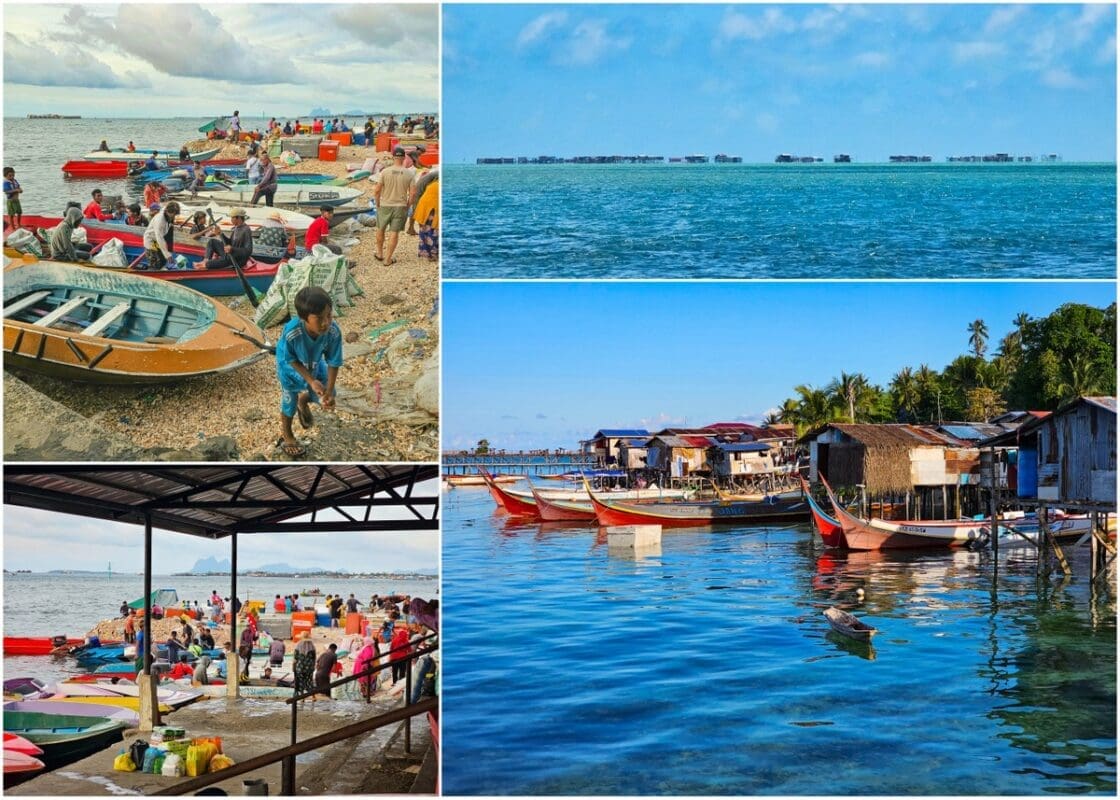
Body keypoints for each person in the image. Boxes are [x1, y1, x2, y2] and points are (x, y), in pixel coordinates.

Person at [274, 286, 343, 458]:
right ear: (304, 318)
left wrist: (329, 392)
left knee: (327, 394)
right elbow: (291, 359)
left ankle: (303, 401)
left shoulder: (333, 332)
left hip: (314, 361)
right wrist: (311, 381)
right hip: (290, 367)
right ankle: (288, 436)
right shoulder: (293, 332)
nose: (326, 322)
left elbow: (334, 361)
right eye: (319, 318)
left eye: (329, 315)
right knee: (289, 401)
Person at [373, 147, 414, 266]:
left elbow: (377, 190)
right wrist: (408, 205)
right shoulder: (409, 173)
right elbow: (413, 193)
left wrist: (377, 203)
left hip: (385, 204)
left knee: (381, 229)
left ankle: (380, 253)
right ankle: (387, 259)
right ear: (404, 158)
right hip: (400, 206)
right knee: (394, 232)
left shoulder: (385, 172)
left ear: (393, 157)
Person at [141, 201, 180, 270]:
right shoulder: (159, 220)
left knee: (162, 261)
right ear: (167, 211)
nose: (174, 216)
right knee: (154, 263)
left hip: (159, 242)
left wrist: (169, 250)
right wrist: (167, 254)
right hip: (151, 240)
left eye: (175, 214)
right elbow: (159, 238)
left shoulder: (170, 217)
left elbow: (170, 234)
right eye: (173, 214)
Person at [413, 173, 439, 262]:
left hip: (424, 207)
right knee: (434, 231)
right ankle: (433, 255)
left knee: (425, 230)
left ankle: (427, 253)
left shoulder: (433, 183)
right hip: (431, 209)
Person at [292, 632, 316, 699]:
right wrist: (313, 667)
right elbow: (314, 658)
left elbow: (295, 658)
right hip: (309, 668)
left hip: (300, 667)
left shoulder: (298, 645)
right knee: (309, 681)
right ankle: (313, 696)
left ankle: (302, 697)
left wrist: (293, 667)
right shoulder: (312, 646)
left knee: (301, 681)